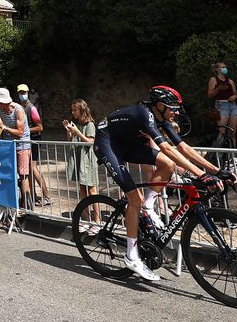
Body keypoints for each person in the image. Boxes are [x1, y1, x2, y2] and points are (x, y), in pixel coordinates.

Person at [93, 86, 228, 282]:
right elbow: (166, 148)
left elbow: (182, 147)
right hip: (107, 144)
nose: (177, 112)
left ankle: (148, 206)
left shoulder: (162, 119)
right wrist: (200, 175)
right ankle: (132, 256)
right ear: (159, 105)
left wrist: (215, 171)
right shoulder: (144, 114)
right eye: (173, 107)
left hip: (126, 144)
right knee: (134, 198)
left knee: (168, 164)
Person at [0, 88, 33, 209]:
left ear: (3, 101)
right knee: (10, 174)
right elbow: (1, 127)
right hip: (8, 145)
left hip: (22, 144)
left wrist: (3, 126)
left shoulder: (18, 110)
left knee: (23, 175)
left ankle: (26, 205)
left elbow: (19, 132)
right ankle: (11, 202)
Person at [63, 99, 99, 228]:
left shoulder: (90, 125)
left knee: (92, 190)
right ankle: (86, 219)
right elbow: (70, 140)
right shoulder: (77, 124)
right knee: (82, 190)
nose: (73, 113)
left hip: (87, 160)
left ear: (82, 110)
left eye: (75, 110)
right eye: (72, 110)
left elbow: (90, 141)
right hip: (79, 158)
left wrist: (77, 132)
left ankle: (97, 221)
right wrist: (69, 131)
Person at [18, 84, 51, 206]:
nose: (22, 94)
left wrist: (25, 130)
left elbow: (40, 127)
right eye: (20, 92)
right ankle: (32, 195)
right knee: (27, 170)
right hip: (26, 141)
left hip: (34, 140)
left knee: (33, 168)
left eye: (24, 92)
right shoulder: (20, 107)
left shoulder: (32, 108)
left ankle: (47, 196)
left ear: (27, 93)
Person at [207, 62, 237, 147]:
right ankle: (220, 154)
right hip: (221, 105)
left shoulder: (230, 81)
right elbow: (209, 94)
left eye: (226, 67)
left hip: (232, 105)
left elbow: (235, 93)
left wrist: (234, 97)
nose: (225, 69)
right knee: (222, 132)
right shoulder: (213, 80)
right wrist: (218, 88)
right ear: (217, 69)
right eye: (222, 67)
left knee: (233, 132)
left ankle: (232, 153)